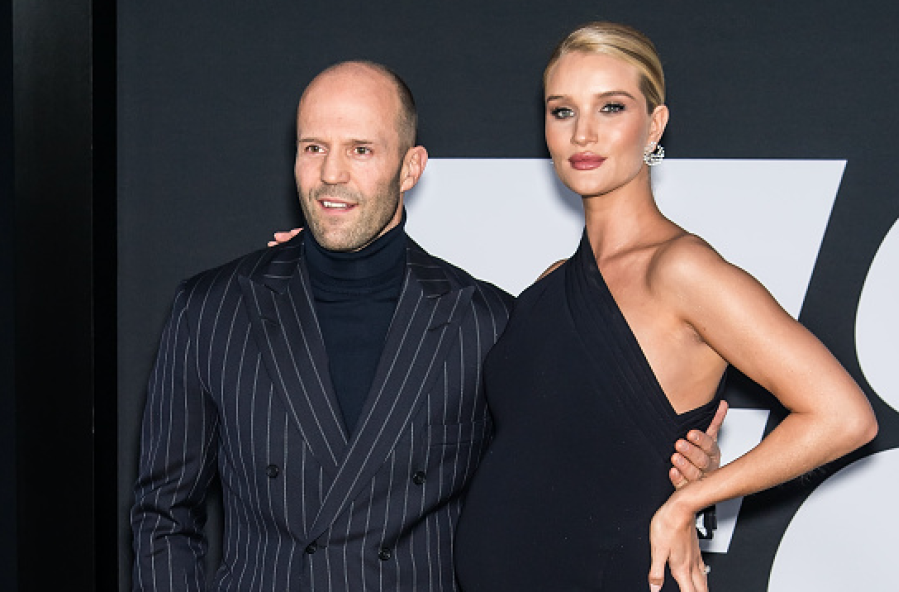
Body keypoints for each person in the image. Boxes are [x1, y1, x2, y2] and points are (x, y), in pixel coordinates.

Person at [131, 60, 721, 592]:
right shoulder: (212, 307)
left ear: (411, 167)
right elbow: (164, 512)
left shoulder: (484, 319)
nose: (331, 173)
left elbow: (560, 475)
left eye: (361, 149)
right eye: (314, 147)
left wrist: (682, 487)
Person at [452, 22, 878, 592]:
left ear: (653, 125)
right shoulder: (551, 282)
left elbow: (844, 416)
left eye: (611, 108)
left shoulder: (679, 270)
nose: (583, 134)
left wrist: (694, 498)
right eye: (562, 111)